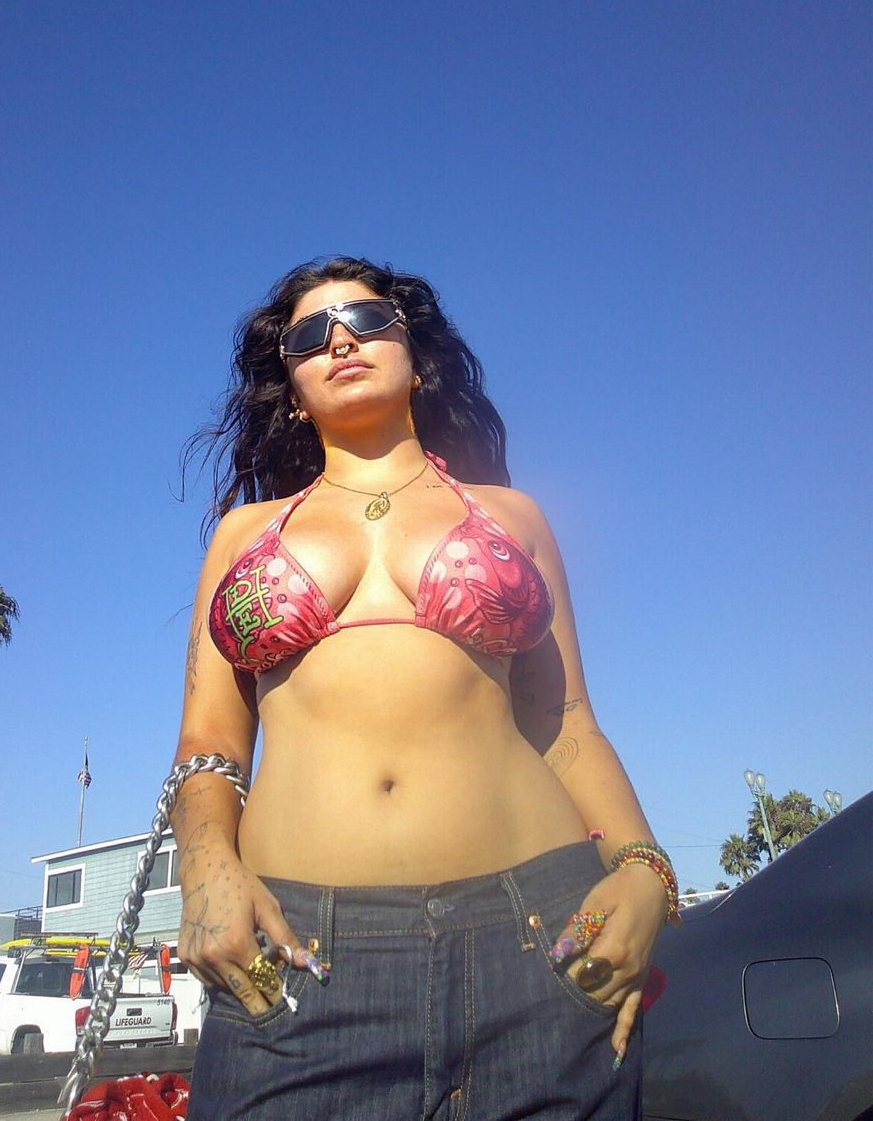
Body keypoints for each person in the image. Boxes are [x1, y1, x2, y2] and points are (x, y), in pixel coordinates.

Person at [171, 256, 675, 1119]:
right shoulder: (242, 536)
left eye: (367, 321)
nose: (340, 341)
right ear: (292, 389)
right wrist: (206, 870)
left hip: (537, 937)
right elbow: (209, 743)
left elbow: (567, 723)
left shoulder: (512, 516)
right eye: (310, 335)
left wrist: (643, 868)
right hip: (298, 958)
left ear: (415, 357)